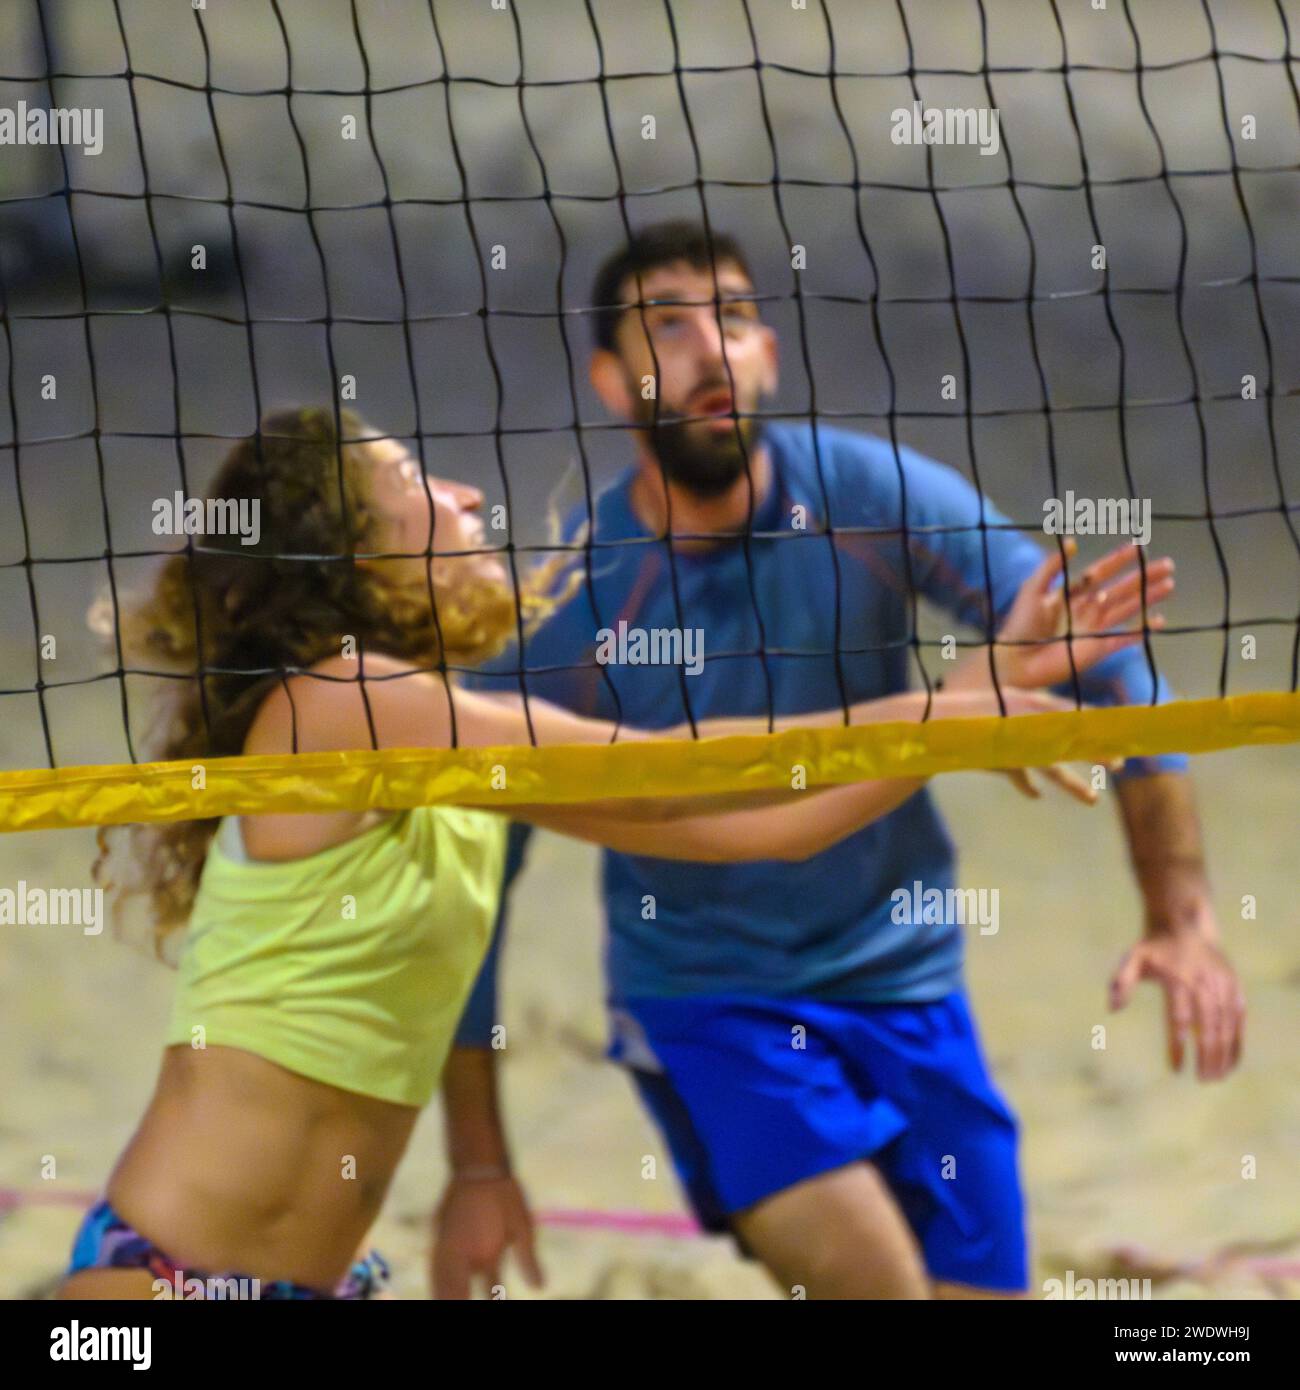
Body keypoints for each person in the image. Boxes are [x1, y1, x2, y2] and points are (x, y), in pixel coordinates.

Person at [61, 405, 1118, 1300]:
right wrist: (945, 708)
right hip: (163, 1277)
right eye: (414, 477)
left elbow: (756, 822)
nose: (470, 492)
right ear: (349, 549)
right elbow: (675, 769)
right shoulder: (344, 702)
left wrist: (973, 702)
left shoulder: (447, 749)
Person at [434, 221, 1242, 1301]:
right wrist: (479, 1163)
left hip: (909, 984)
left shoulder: (862, 496)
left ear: (768, 352)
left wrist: (1176, 909)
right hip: (714, 1010)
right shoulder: (570, 610)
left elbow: (1104, 657)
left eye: (733, 317)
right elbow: (471, 888)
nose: (710, 349)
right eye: (668, 326)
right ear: (611, 380)